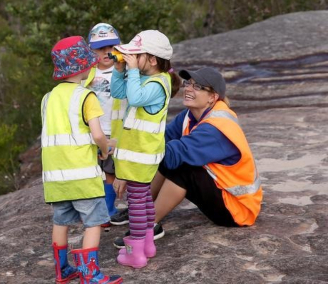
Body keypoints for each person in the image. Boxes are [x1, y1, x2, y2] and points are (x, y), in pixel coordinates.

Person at [113, 67, 263, 249]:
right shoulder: (189, 116)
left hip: (236, 210)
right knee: (163, 155)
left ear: (212, 97)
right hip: (219, 193)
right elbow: (160, 140)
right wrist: (129, 147)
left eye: (198, 86)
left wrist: (128, 150)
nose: (189, 89)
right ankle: (139, 211)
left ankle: (147, 226)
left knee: (182, 167)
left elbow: (171, 155)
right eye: (188, 84)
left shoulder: (217, 128)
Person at [43, 36, 122, 284]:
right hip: (82, 175)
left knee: (61, 221)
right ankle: (90, 274)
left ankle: (62, 270)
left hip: (55, 177)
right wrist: (105, 150)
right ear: (86, 67)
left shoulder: (48, 98)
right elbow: (98, 134)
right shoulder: (86, 97)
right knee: (94, 222)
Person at [109, 30, 180, 269]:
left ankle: (135, 252)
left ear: (152, 60)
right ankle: (148, 244)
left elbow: (136, 98)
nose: (130, 59)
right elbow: (120, 94)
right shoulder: (146, 79)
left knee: (137, 204)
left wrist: (130, 72)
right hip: (137, 155)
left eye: (135, 55)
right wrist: (120, 72)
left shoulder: (159, 84)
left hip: (142, 155)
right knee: (144, 202)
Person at [85, 23, 122, 229]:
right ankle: (95, 211)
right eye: (100, 48)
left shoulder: (122, 71)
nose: (107, 52)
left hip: (113, 131)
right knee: (92, 172)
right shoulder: (87, 74)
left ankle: (107, 210)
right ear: (92, 51)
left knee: (111, 172)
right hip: (92, 131)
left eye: (111, 47)